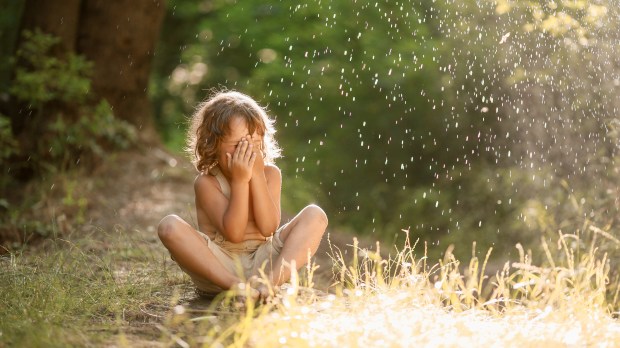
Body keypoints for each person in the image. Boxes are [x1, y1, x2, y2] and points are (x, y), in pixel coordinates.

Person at [157, 90, 328, 299]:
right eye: (238, 145)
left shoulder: (270, 174)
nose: (247, 152)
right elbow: (234, 233)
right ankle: (237, 287)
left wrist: (256, 176)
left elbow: (268, 227)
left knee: (315, 215)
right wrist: (240, 181)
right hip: (220, 267)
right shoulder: (207, 183)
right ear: (212, 144)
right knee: (169, 226)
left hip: (265, 263)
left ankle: (270, 285)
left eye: (254, 144)